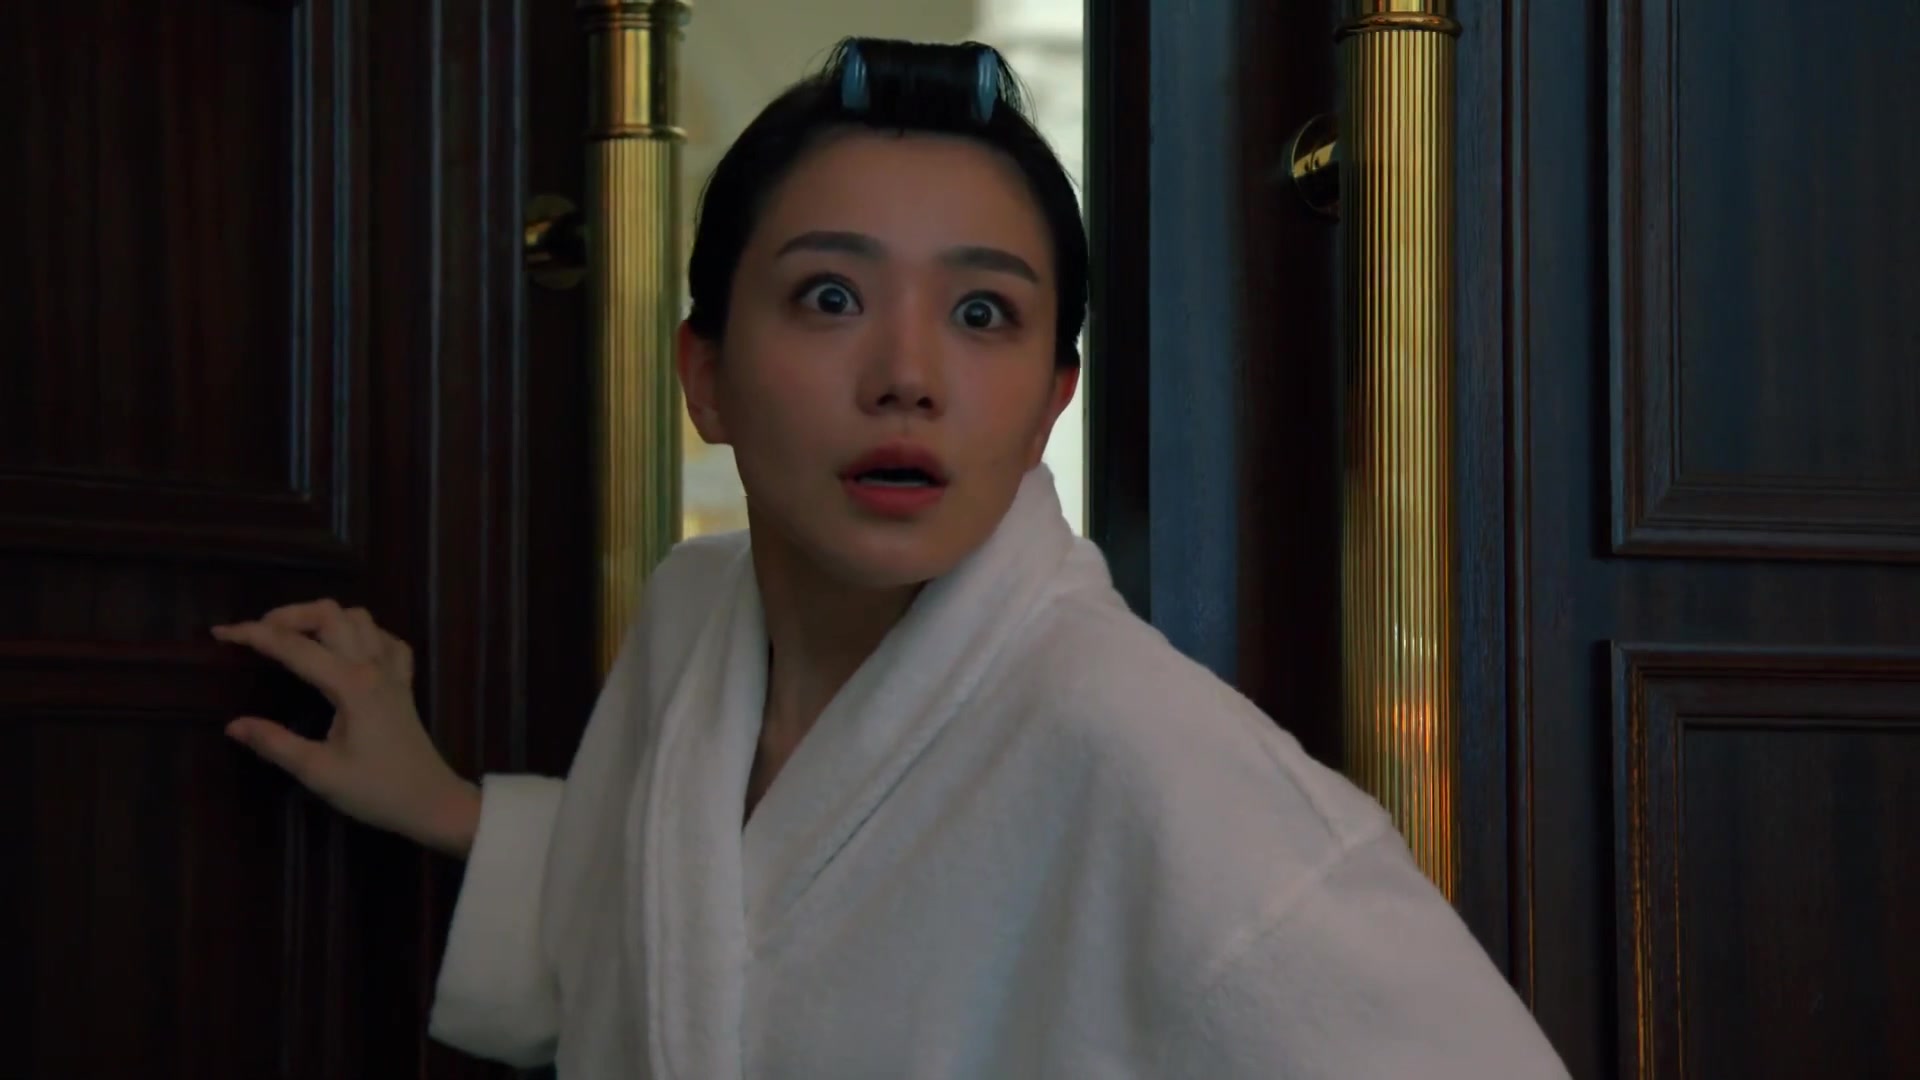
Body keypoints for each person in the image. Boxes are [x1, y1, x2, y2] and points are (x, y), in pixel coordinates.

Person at [213, 37, 1571, 1078]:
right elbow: (692, 936)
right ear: (704, 376)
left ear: (1049, 402)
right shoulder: (695, 622)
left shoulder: (1144, 753)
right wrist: (448, 808)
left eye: (983, 313)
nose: (908, 374)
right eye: (830, 296)